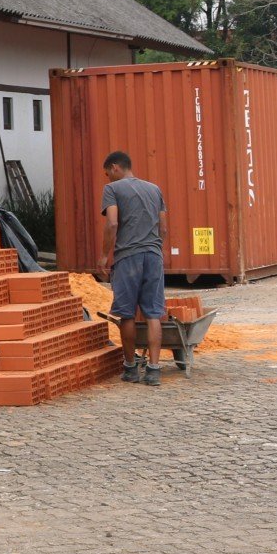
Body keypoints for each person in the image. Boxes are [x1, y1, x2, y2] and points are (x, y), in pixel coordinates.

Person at [98, 150, 168, 386]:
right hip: (154, 256)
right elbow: (164, 229)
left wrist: (104, 256)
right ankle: (154, 370)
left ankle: (130, 368)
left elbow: (112, 222)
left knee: (126, 314)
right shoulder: (154, 189)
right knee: (153, 314)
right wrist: (155, 249)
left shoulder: (113, 190)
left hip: (128, 257)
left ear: (115, 167)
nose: (108, 178)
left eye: (108, 173)